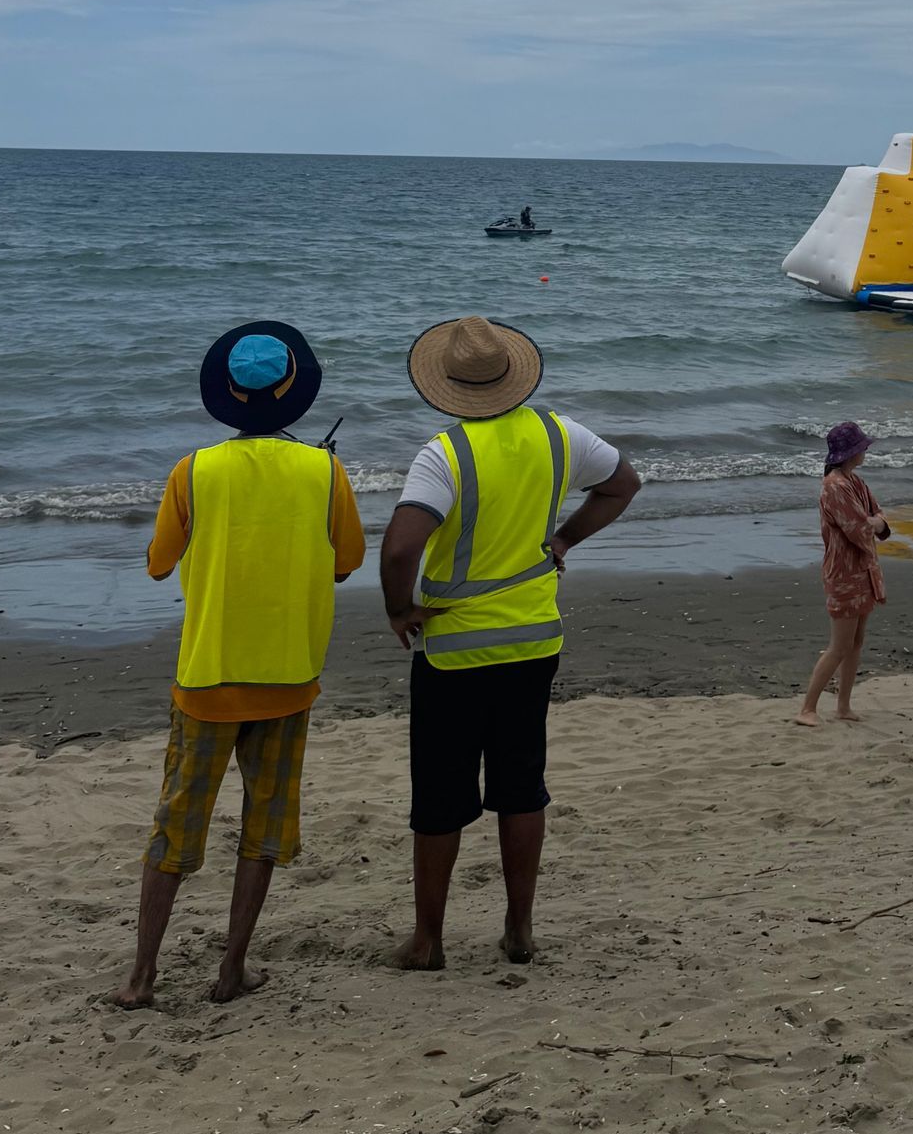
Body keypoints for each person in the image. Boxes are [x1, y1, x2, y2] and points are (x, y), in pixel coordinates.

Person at [113, 324, 364, 1008]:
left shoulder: (193, 470)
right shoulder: (325, 470)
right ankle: (232, 968)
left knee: (176, 825)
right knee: (265, 825)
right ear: (292, 396)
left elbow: (159, 563)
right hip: (288, 676)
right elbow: (347, 564)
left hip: (207, 679)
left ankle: (141, 976)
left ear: (226, 393)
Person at [378, 311, 640, 967]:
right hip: (533, 646)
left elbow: (401, 546)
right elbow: (622, 485)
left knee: (440, 798)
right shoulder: (559, 434)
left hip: (454, 652)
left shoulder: (446, 453)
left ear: (448, 385)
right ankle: (520, 930)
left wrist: (399, 608)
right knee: (522, 788)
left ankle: (428, 941)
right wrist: (564, 540)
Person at [797, 421, 891, 728]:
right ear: (850, 452)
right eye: (862, 446)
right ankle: (808, 708)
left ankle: (843, 705)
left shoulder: (855, 481)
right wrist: (874, 523)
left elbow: (878, 515)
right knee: (839, 645)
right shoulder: (835, 486)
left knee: (856, 641)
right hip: (844, 572)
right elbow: (859, 527)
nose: (865, 450)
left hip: (863, 569)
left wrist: (875, 522)